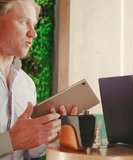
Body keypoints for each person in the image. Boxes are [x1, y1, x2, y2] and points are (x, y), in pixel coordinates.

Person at [0, 0, 77, 159]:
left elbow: (26, 150)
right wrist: (11, 141)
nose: (33, 33)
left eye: (34, 24)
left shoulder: (27, 85)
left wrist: (51, 137)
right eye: (24, 22)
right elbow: (15, 143)